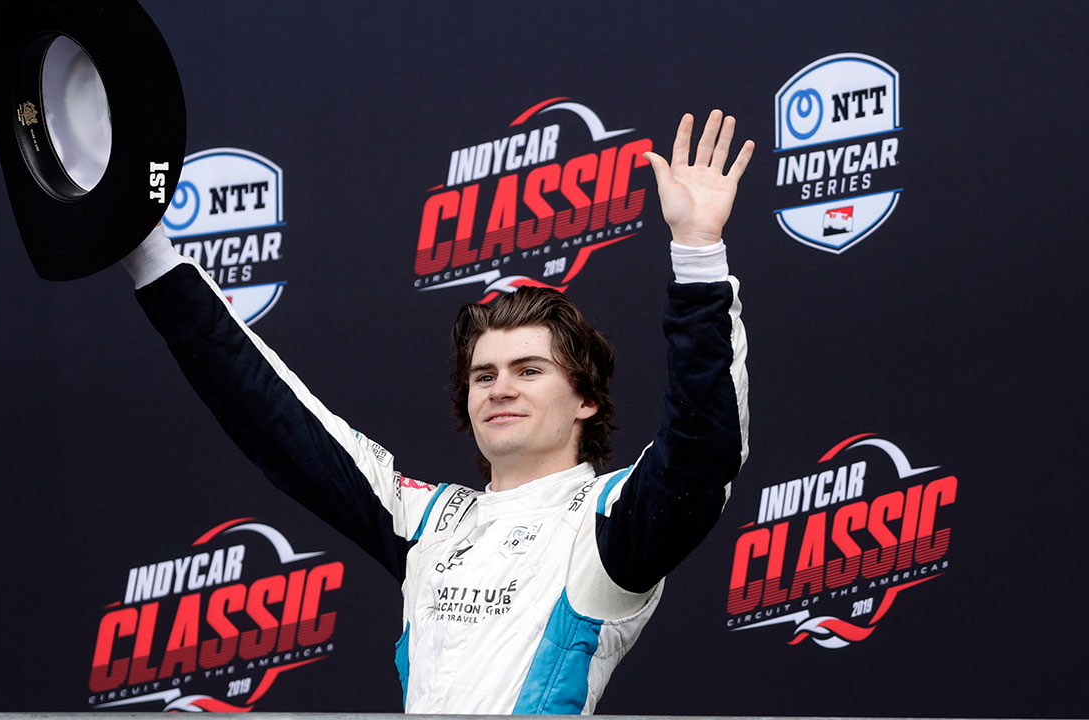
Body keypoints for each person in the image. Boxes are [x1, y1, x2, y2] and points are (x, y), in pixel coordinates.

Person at [119, 110, 752, 714]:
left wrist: (697, 253)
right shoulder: (428, 519)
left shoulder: (609, 523)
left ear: (586, 399)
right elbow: (277, 418)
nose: (499, 388)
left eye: (529, 371)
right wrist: (147, 250)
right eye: (484, 375)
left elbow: (704, 447)